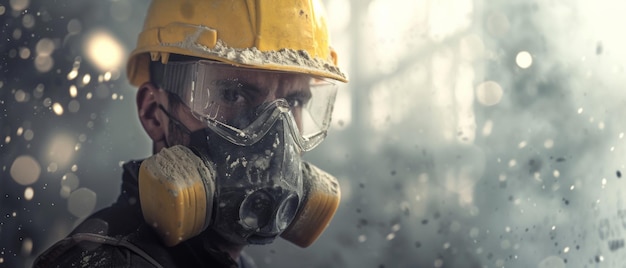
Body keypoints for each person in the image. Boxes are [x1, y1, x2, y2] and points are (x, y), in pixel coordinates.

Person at [33, 0, 348, 267]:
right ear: (153, 113)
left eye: (294, 101)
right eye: (232, 95)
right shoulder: (102, 261)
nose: (273, 140)